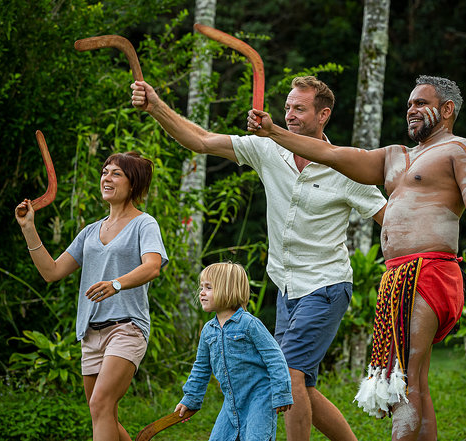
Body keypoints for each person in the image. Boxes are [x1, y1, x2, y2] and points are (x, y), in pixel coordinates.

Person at [131, 75, 386, 441]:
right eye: (287, 108)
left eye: (299, 108)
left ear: (323, 114)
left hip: (327, 285)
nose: (290, 115)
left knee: (289, 373)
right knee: (303, 385)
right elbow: (200, 140)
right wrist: (155, 105)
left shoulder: (345, 166)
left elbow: (388, 218)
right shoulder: (268, 151)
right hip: (286, 288)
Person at [247, 75, 466, 441]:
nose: (411, 109)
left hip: (429, 270)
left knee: (404, 378)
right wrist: (274, 133)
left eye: (421, 103)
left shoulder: (460, 150)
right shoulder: (398, 156)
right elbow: (332, 154)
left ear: (446, 110)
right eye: (409, 103)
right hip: (399, 275)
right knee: (415, 379)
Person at [15, 151, 168, 441]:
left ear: (132, 184)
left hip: (127, 328)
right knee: (103, 413)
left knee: (100, 404)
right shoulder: (89, 232)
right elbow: (52, 271)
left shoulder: (144, 224)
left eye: (115, 173)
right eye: (104, 171)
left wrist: (116, 284)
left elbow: (152, 266)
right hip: (91, 333)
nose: (106, 178)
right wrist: (29, 229)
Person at [175, 262, 293, 440]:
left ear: (228, 289)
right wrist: (190, 399)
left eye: (208, 287)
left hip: (259, 398)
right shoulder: (208, 330)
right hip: (231, 402)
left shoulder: (249, 324)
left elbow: (275, 357)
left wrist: (281, 393)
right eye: (201, 287)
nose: (201, 293)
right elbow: (201, 367)